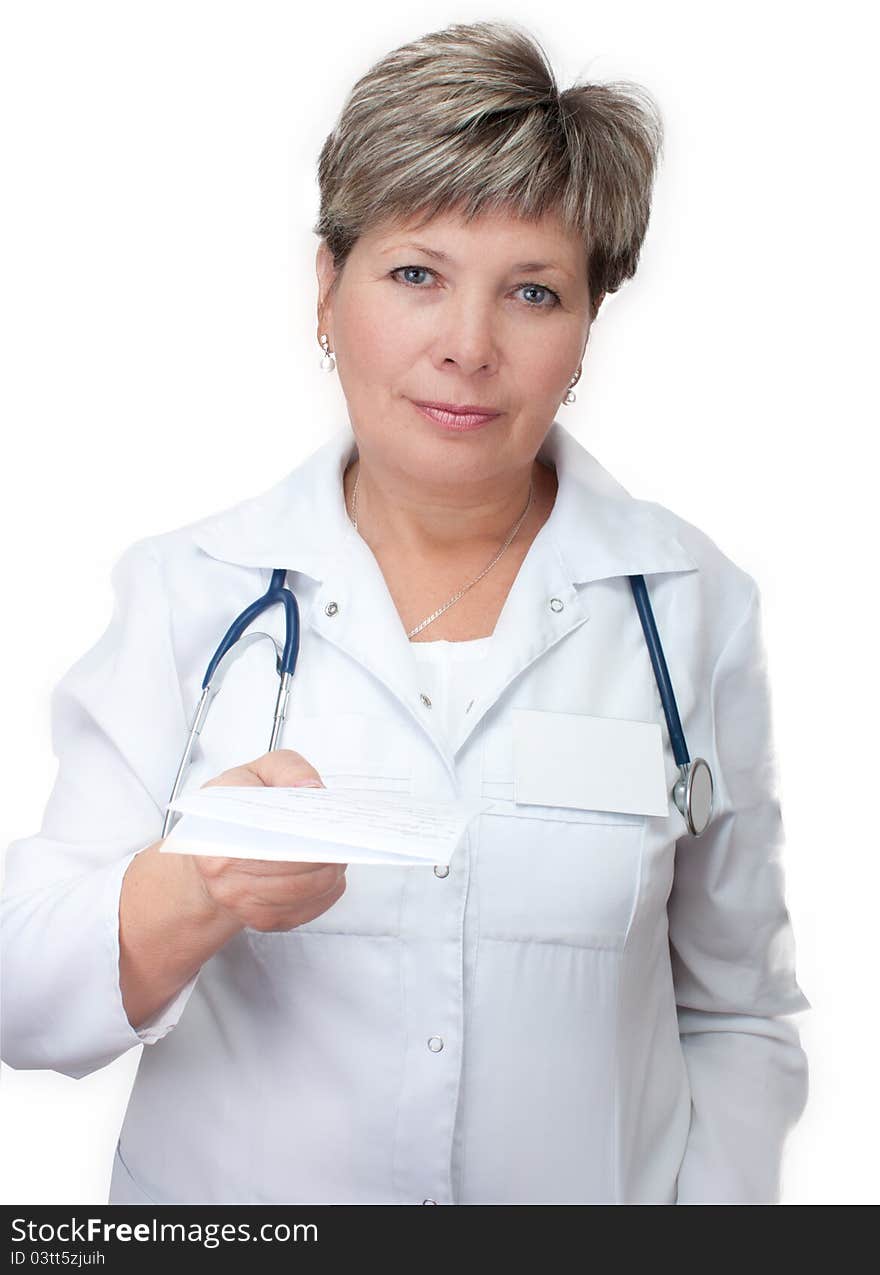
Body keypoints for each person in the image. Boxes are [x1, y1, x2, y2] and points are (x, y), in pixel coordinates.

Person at [0, 19, 810, 1205]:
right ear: (326, 285)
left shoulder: (688, 607)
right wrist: (194, 886)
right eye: (416, 274)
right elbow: (23, 1000)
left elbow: (737, 1013)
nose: (468, 348)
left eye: (532, 292)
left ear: (586, 329)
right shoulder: (191, 593)